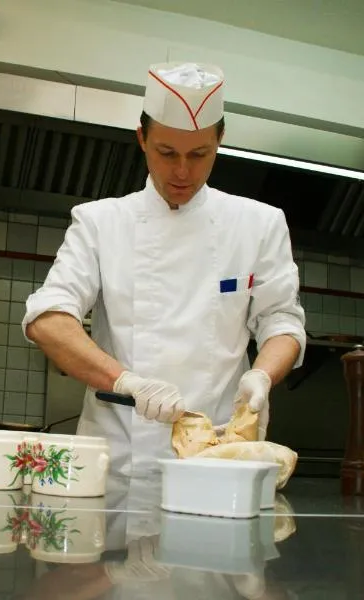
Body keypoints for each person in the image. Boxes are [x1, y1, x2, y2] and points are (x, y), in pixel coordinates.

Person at [22, 61, 306, 477]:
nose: (182, 172)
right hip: (116, 457)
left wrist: (262, 375)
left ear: (220, 140)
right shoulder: (100, 222)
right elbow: (48, 320)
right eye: (167, 152)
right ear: (142, 139)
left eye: (199, 154)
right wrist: (127, 382)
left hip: (219, 457)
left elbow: (282, 320)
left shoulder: (259, 224)